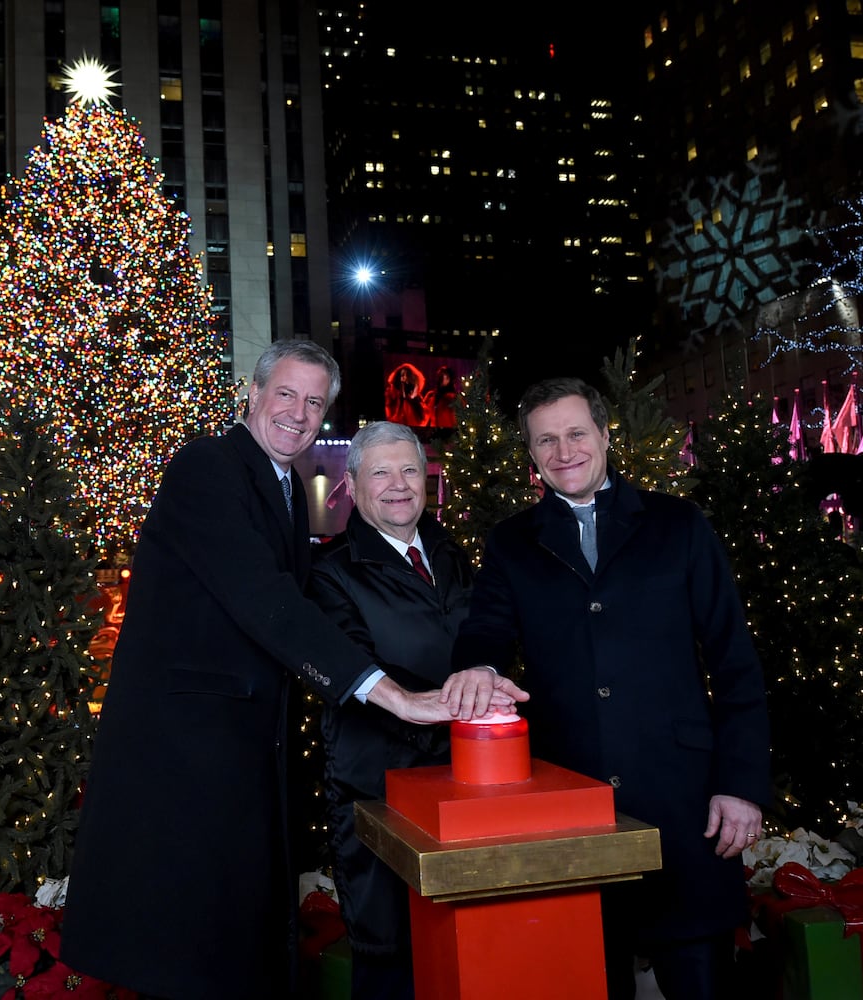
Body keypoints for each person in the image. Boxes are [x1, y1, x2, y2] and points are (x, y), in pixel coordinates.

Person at [59, 342, 522, 1000]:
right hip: (183, 753)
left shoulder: (285, 490)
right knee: (183, 946)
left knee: (230, 946)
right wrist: (394, 696)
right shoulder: (207, 466)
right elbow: (265, 600)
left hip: (243, 749)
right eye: (286, 394)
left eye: (314, 402)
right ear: (252, 394)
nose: (298, 413)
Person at [448, 376, 770, 1000]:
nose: (563, 451)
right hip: (571, 802)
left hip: (685, 799)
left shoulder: (678, 524)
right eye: (546, 441)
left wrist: (741, 786)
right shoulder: (511, 543)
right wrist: (479, 669)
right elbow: (485, 631)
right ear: (532, 454)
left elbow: (734, 660)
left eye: (575, 434)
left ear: (602, 434)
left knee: (700, 981)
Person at [308, 421, 516, 1000]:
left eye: (409, 470)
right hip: (383, 797)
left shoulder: (454, 553)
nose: (399, 485)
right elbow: (353, 667)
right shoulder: (329, 573)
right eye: (380, 472)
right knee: (394, 961)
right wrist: (449, 705)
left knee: (475, 953)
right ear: (350, 484)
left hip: (475, 787)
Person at [384, 363, 426, 427]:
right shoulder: (393, 394)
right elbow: (389, 412)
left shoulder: (416, 397)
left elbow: (423, 417)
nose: (404, 378)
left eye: (407, 375)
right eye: (402, 375)